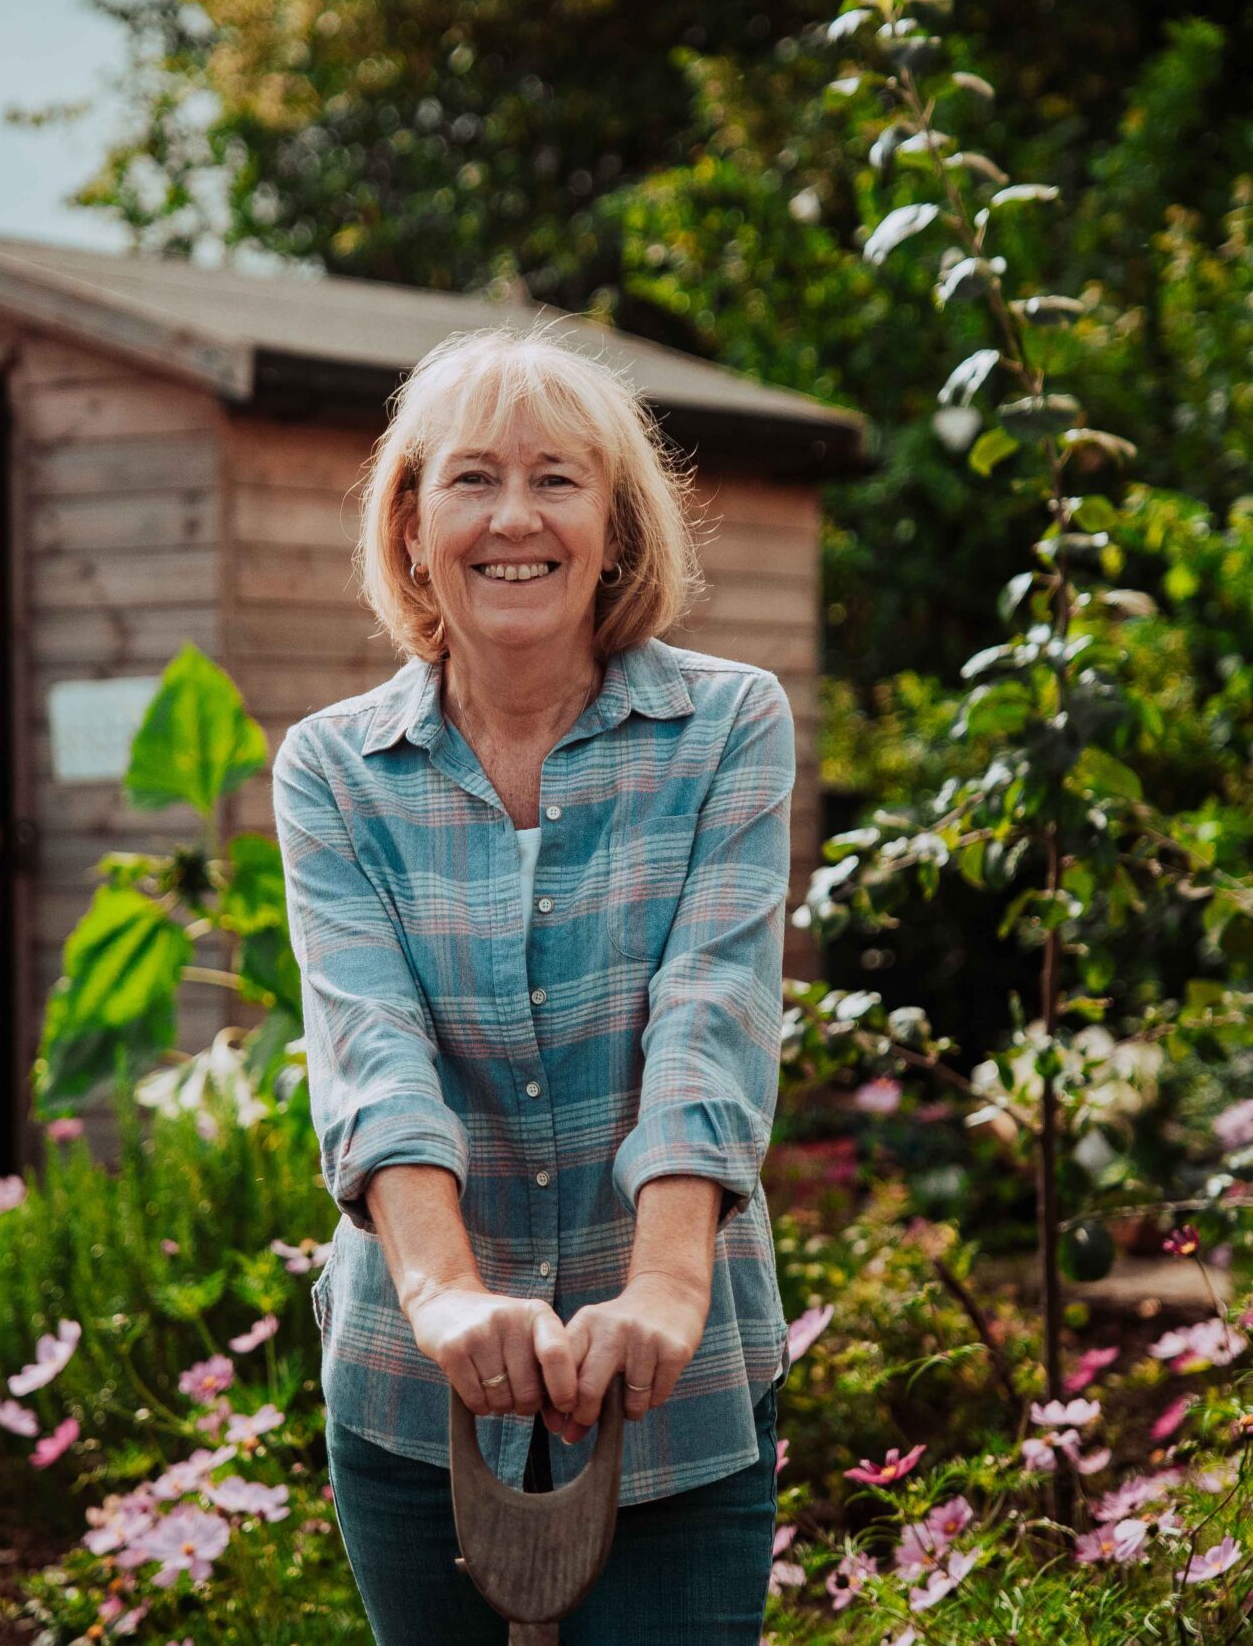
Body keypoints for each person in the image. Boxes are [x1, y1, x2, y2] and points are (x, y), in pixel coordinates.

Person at [270, 322, 795, 1643]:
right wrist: (444, 1293)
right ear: (409, 528)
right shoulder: (332, 774)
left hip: (682, 1391)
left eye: (558, 479)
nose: (517, 518)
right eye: (471, 480)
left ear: (615, 528)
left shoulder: (731, 728)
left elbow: (712, 1015)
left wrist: (667, 1283)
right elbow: (371, 1047)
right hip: (412, 1388)